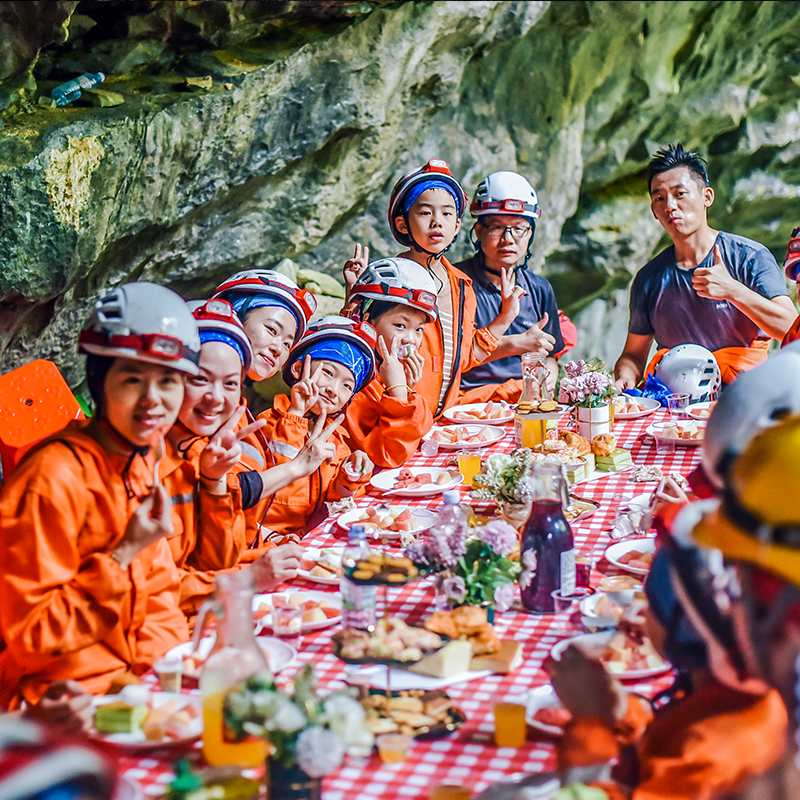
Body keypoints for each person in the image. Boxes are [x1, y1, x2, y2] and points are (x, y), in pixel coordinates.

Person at [0, 282, 192, 708]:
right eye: (132, 379)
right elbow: (34, 638)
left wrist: (162, 674)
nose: (153, 401)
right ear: (99, 381)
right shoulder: (51, 480)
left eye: (168, 381)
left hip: (134, 685)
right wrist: (123, 553)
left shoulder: (139, 459)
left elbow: (160, 597)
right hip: (61, 702)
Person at [546, 527, 787, 799]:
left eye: (651, 602)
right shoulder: (756, 696)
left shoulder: (701, 749)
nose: (641, 613)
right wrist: (621, 712)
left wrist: (591, 724)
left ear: (685, 626)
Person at [164, 299, 338, 614]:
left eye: (230, 383)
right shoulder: (150, 459)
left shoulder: (230, 423)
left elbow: (220, 554)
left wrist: (216, 485)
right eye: (201, 378)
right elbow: (145, 591)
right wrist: (246, 578)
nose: (216, 397)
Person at [344, 159, 519, 418]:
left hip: (441, 417)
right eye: (425, 213)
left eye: (447, 214)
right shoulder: (388, 281)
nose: (438, 222)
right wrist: (354, 293)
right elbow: (356, 344)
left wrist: (506, 317)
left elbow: (464, 357)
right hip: (395, 417)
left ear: (457, 226)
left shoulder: (463, 286)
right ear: (403, 224)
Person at [614, 143, 794, 389]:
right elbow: (633, 356)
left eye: (680, 194)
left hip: (742, 396)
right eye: (659, 198)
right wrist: (625, 378)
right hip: (671, 402)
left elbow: (791, 329)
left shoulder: (749, 257)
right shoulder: (649, 279)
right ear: (654, 211)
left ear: (707, 197)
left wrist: (733, 290)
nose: (670, 206)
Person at [210, 270, 318, 555]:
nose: (278, 349)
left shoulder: (240, 410)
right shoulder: (207, 409)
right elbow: (223, 497)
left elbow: (241, 511)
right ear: (232, 318)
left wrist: (265, 538)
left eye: (287, 343)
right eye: (272, 330)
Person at [255, 316, 376, 542]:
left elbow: (334, 502)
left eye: (347, 385)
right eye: (328, 373)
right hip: (265, 538)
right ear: (300, 367)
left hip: (310, 537)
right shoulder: (267, 422)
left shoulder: (335, 438)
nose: (333, 389)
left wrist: (348, 477)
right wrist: (295, 415)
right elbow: (274, 485)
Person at [455, 171, 572, 400]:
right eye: (497, 227)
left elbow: (551, 354)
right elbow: (449, 356)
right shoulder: (456, 283)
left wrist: (550, 375)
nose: (508, 238)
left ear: (530, 234)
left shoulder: (539, 289)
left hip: (525, 399)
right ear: (479, 232)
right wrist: (517, 344)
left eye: (519, 228)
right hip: (469, 401)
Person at [343, 257, 435, 467]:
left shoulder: (386, 368)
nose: (411, 339)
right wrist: (400, 395)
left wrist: (408, 390)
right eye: (400, 325)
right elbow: (388, 455)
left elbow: (423, 428)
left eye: (418, 329)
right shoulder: (354, 378)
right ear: (367, 322)